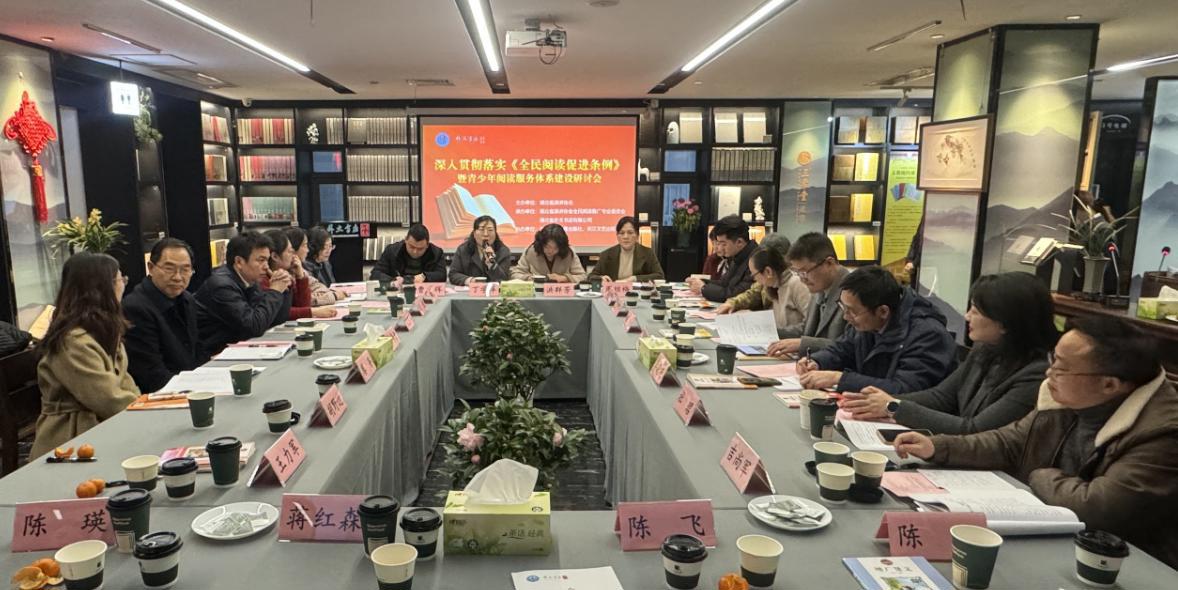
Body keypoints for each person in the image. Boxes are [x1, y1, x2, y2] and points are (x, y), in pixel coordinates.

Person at [894, 316, 1178, 569]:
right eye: (1053, 360)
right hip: (1062, 542)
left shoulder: (1162, 433)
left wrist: (1040, 475)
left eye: (1061, 369)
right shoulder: (1068, 399)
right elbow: (1009, 442)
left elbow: (1097, 508)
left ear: (1109, 385)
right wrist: (938, 447)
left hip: (1129, 565)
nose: (1048, 373)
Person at [843, 272, 1056, 434]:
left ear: (1005, 322)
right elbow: (942, 396)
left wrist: (893, 407)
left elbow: (976, 429)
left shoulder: (1035, 375)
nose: (967, 316)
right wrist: (878, 403)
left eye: (976, 311)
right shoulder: (985, 349)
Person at [30, 253, 140, 458]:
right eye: (120, 280)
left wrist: (144, 404)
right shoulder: (72, 341)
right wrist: (144, 412)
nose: (123, 286)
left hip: (102, 426)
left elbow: (124, 382)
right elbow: (107, 399)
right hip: (71, 441)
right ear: (103, 288)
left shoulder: (104, 330)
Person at [798, 265, 956, 394]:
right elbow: (842, 349)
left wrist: (840, 379)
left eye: (852, 311)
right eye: (842, 307)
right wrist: (817, 362)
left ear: (883, 311)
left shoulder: (928, 335)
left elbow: (904, 389)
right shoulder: (866, 322)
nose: (845, 316)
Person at [123, 238, 207, 393]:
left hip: (189, 386)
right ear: (151, 267)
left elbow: (198, 349)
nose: (177, 277)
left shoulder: (187, 299)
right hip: (161, 394)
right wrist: (196, 389)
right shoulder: (135, 308)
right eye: (169, 269)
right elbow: (152, 375)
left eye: (185, 270)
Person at [195, 231, 291, 356]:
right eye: (261, 260)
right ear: (239, 262)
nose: (266, 267)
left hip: (238, 349)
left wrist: (283, 288)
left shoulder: (250, 280)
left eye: (267, 260)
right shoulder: (221, 286)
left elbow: (276, 320)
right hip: (213, 354)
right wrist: (275, 291)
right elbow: (253, 326)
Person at [766, 233, 851, 358]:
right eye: (797, 272)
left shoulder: (853, 293)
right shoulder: (819, 288)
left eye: (805, 272)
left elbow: (850, 346)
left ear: (829, 263)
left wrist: (804, 344)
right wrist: (771, 332)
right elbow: (807, 329)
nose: (802, 279)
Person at [716, 235, 811, 338]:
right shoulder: (773, 283)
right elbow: (753, 293)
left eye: (754, 275)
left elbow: (810, 326)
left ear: (768, 271)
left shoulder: (797, 284)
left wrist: (770, 330)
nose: (754, 279)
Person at [688, 215, 756, 302]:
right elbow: (723, 283)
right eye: (718, 243)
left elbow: (735, 295)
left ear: (739, 242)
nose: (720, 248)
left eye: (724, 244)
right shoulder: (737, 255)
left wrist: (703, 288)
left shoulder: (756, 259)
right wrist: (701, 282)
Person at [590, 216, 665, 282]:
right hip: (614, 292)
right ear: (617, 236)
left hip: (637, 292)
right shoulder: (606, 254)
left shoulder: (647, 253)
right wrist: (601, 278)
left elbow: (660, 276)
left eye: (630, 232)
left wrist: (635, 279)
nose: (625, 237)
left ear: (637, 235)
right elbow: (591, 276)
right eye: (622, 233)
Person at [284, 227, 346, 306]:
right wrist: (334, 295)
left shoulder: (301, 268)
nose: (308, 250)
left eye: (330, 246)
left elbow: (320, 286)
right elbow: (307, 300)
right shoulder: (284, 275)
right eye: (305, 245)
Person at [370, 224, 447, 284]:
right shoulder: (392, 251)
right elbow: (375, 274)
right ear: (405, 240)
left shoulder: (436, 253)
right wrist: (393, 279)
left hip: (424, 292)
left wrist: (425, 276)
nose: (415, 251)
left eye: (420, 249)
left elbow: (442, 275)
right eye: (411, 247)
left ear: (427, 245)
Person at [449, 215, 513, 286]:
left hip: (493, 291)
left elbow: (504, 279)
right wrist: (470, 280)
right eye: (482, 230)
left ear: (495, 233)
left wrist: (492, 265)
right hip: (470, 291)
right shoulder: (463, 249)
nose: (486, 234)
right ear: (474, 233)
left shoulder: (503, 251)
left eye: (490, 230)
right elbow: (453, 274)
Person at [511, 224, 588, 283]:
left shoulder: (569, 253)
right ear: (541, 244)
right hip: (536, 292)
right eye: (547, 247)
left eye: (555, 248)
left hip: (561, 294)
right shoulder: (531, 251)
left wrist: (565, 278)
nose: (550, 251)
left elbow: (582, 276)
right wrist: (531, 278)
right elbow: (516, 274)